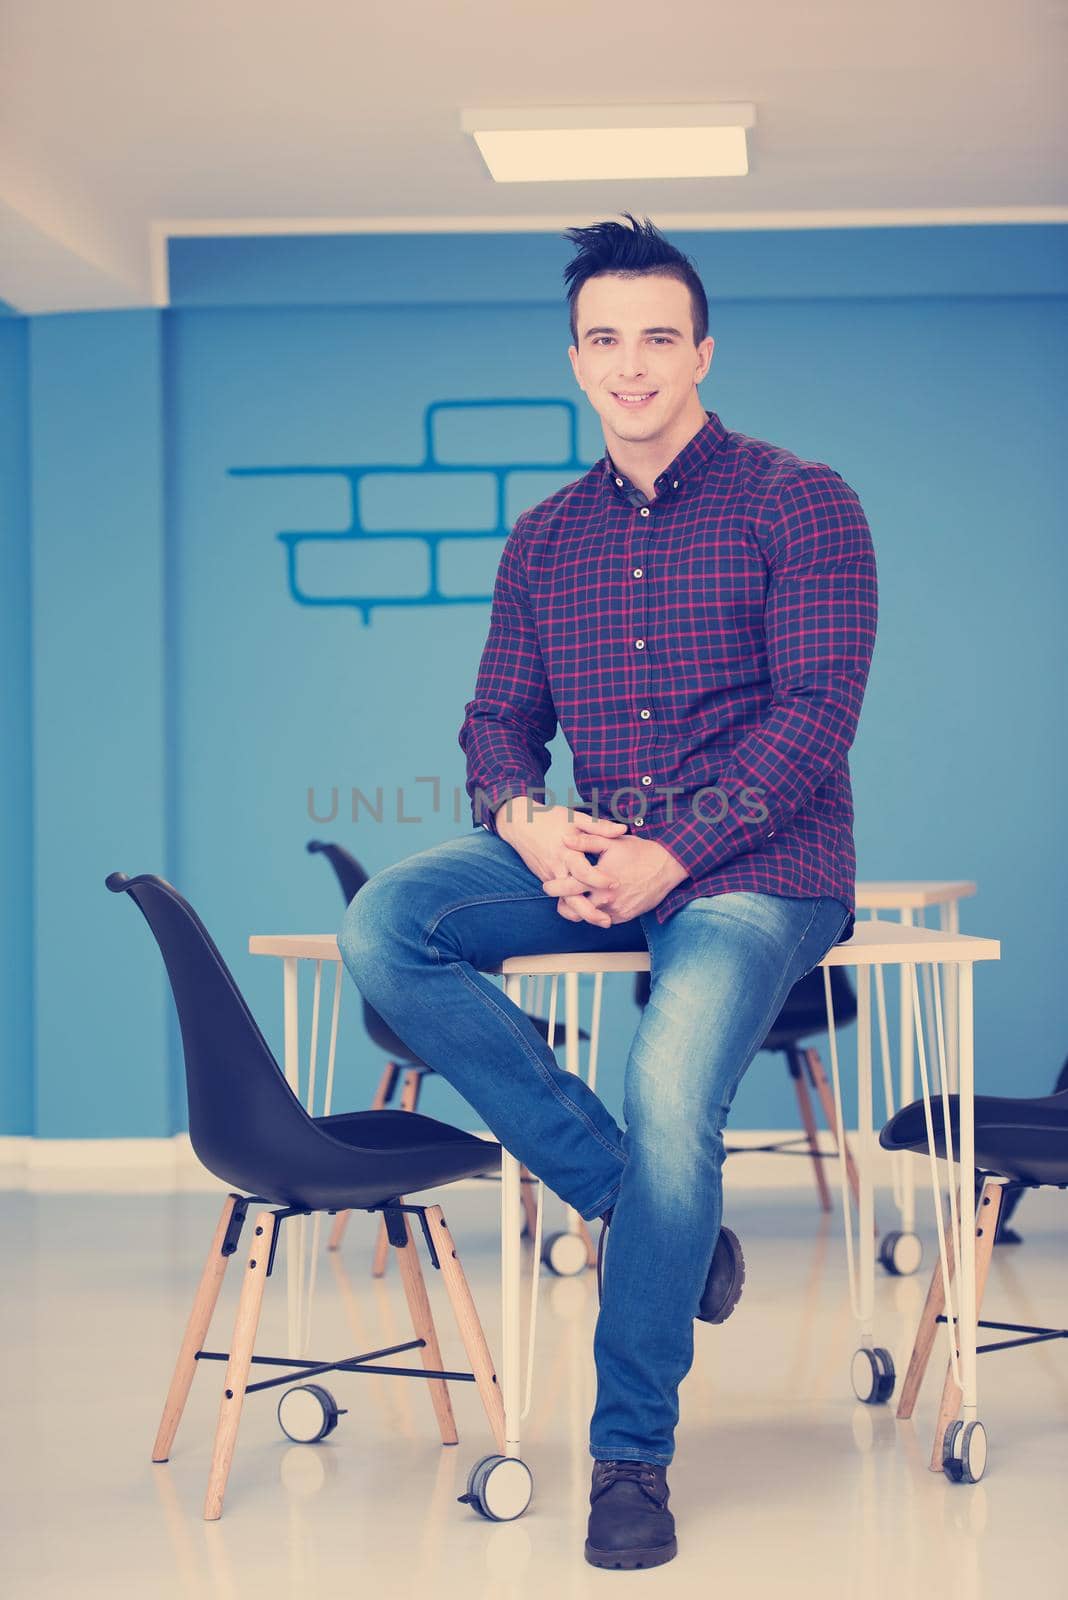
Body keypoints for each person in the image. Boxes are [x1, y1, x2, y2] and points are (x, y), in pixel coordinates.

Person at [338, 212, 878, 1570]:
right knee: (390, 925)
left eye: (655, 337)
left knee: (672, 1078)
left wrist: (671, 851)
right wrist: (525, 820)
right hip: (598, 851)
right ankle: (657, 1218)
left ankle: (629, 1455)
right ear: (574, 357)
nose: (629, 365)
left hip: (762, 871)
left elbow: (816, 717)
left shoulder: (799, 499)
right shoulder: (547, 539)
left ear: (702, 349)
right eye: (603, 340)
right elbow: (494, 724)